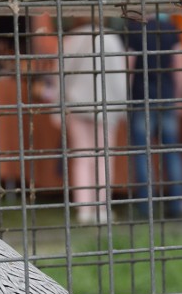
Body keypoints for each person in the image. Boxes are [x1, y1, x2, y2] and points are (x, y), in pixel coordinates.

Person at [46, 17, 128, 224]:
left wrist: (57, 107)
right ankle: (101, 209)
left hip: (76, 105)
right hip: (105, 106)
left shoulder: (69, 41)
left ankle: (83, 210)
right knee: (104, 158)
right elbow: (120, 77)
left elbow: (59, 76)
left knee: (81, 157)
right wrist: (122, 107)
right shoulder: (110, 39)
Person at [127, 15, 182, 217]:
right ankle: (177, 203)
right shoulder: (170, 27)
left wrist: (126, 96)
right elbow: (179, 65)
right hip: (167, 96)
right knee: (172, 151)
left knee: (143, 153)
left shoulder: (134, 28)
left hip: (140, 97)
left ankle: (146, 206)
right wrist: (179, 97)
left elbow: (129, 64)